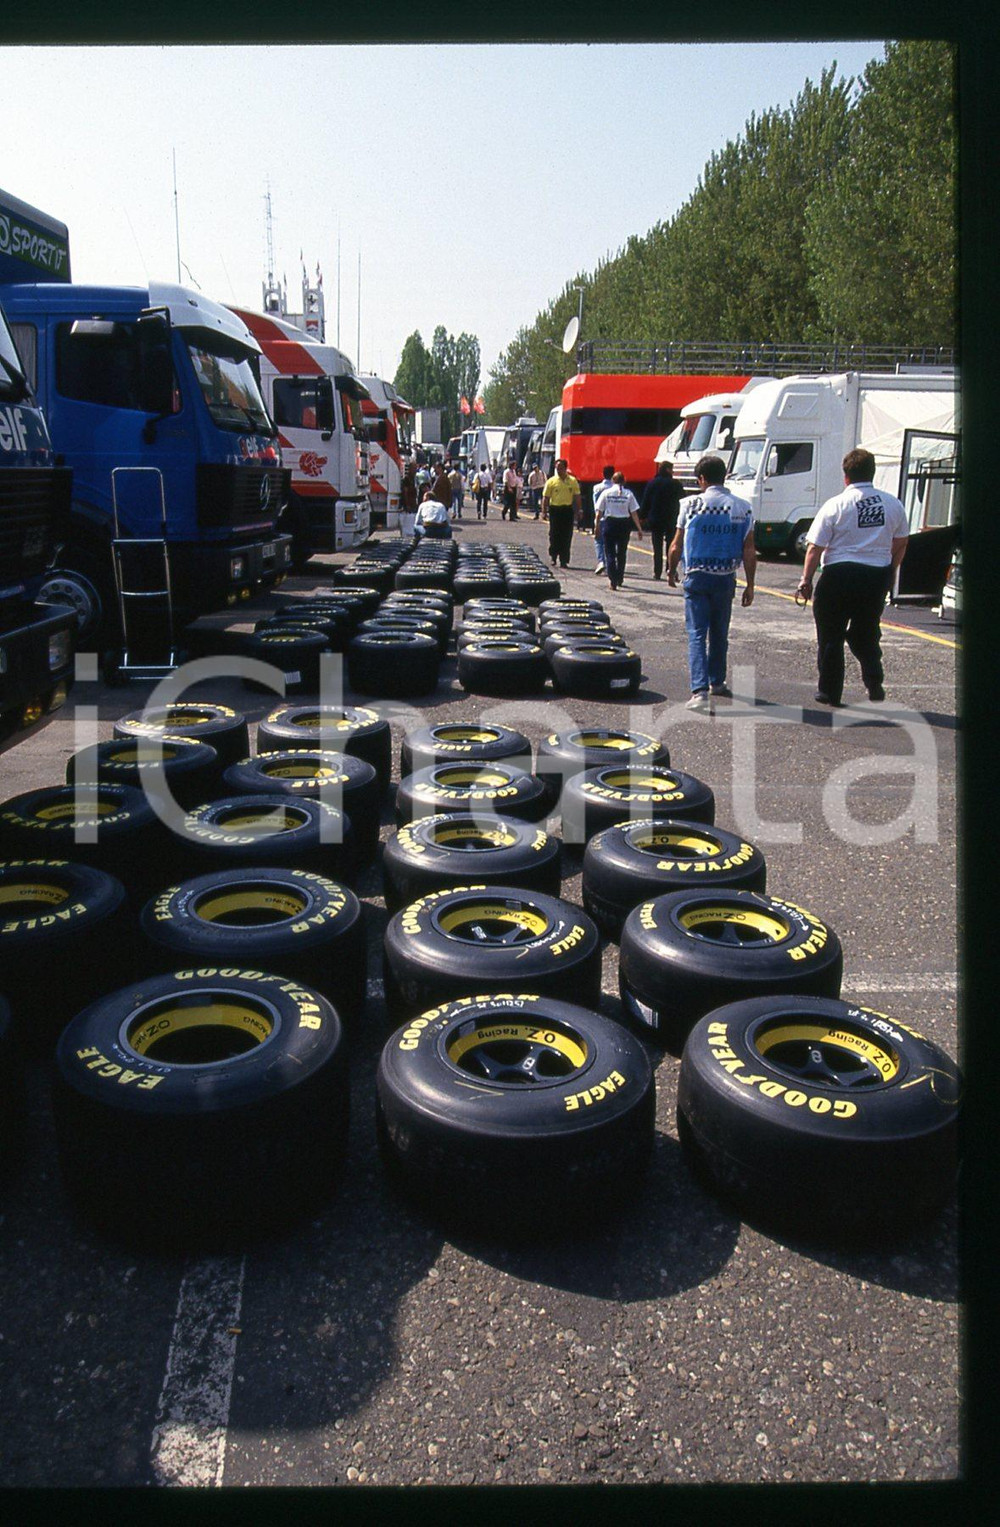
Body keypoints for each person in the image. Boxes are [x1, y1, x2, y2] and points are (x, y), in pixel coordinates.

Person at [797, 447, 909, 707]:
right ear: (873, 473)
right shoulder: (892, 504)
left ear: (845, 476)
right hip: (875, 574)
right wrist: (890, 569)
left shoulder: (835, 504)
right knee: (866, 631)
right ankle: (874, 680)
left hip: (839, 574)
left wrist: (806, 579)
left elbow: (814, 547)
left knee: (830, 635)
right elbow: (902, 541)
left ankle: (829, 691)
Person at [667, 454, 755, 712]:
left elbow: (676, 544)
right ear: (724, 476)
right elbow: (749, 549)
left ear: (702, 479)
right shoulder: (743, 507)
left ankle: (699, 690)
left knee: (696, 633)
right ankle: (717, 680)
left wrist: (671, 570)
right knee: (719, 632)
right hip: (725, 576)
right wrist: (750, 584)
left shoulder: (690, 504)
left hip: (696, 574)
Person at [593, 471, 644, 591]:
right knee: (621, 552)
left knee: (609, 552)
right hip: (624, 524)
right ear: (624, 481)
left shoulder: (606, 493)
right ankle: (620, 577)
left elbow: (599, 512)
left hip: (610, 523)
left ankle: (612, 580)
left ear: (612, 481)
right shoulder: (628, 494)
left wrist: (596, 526)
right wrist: (639, 528)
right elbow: (634, 513)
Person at [640, 460, 686, 580]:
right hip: (671, 518)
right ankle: (670, 569)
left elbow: (646, 501)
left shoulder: (652, 483)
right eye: (672, 469)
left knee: (657, 546)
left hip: (655, 519)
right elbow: (682, 501)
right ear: (667, 470)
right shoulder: (676, 484)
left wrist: (642, 516)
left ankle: (657, 571)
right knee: (671, 545)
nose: (673, 471)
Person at [542, 458, 582, 569]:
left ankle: (564, 559)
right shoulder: (551, 481)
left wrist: (579, 510)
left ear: (565, 468)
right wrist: (544, 512)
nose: (558, 470)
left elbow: (577, 497)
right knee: (554, 534)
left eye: (560, 468)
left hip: (567, 510)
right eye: (557, 468)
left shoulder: (572, 481)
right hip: (555, 510)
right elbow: (546, 497)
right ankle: (554, 556)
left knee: (567, 535)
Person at [592, 464, 615, 574]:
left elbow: (595, 504)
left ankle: (601, 561)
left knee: (598, 540)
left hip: (599, 516)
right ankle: (611, 562)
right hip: (612, 518)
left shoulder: (596, 488)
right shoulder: (615, 489)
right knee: (610, 542)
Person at [399, 461, 419, 538]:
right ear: (410, 469)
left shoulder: (414, 479)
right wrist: (407, 505)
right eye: (414, 468)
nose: (415, 470)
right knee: (407, 523)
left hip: (413, 503)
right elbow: (405, 492)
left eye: (416, 468)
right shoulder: (407, 479)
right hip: (408, 505)